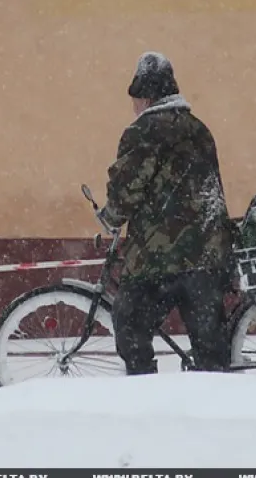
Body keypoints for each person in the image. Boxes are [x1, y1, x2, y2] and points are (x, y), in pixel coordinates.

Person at [97, 51, 235, 375]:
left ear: (145, 96)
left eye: (135, 98)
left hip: (160, 258)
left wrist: (111, 217)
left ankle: (147, 394)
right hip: (209, 251)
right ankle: (218, 405)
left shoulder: (143, 131)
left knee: (130, 325)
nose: (133, 107)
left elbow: (127, 189)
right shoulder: (198, 128)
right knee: (209, 346)